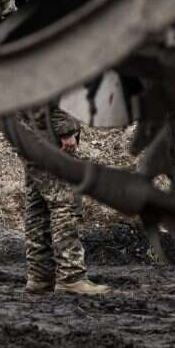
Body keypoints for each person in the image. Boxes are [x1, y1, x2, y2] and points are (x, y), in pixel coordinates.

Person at [23, 106, 110, 295]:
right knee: (65, 203)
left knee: (38, 205)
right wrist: (66, 131)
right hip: (49, 136)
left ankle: (40, 277)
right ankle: (71, 277)